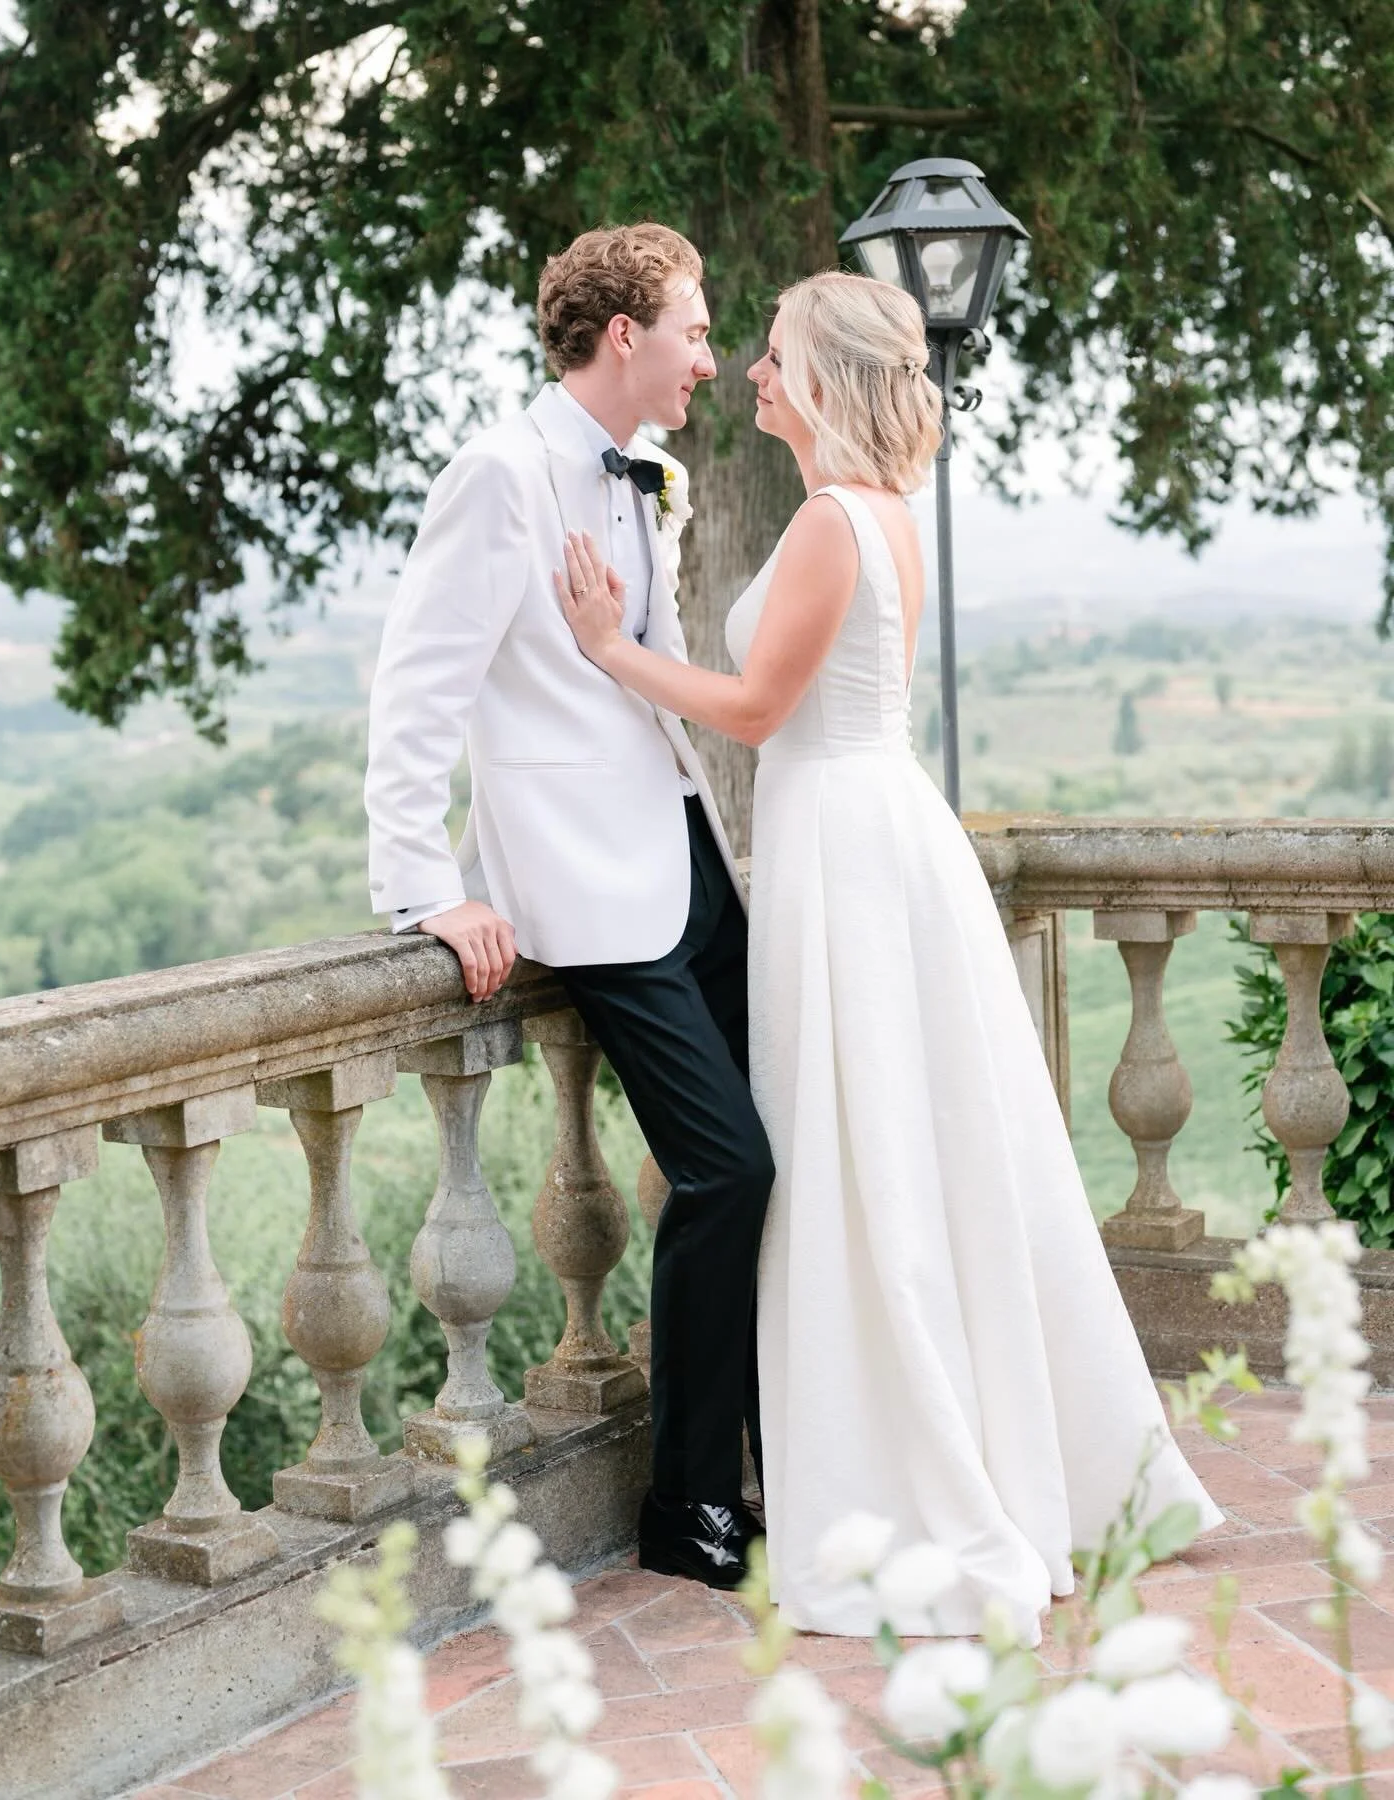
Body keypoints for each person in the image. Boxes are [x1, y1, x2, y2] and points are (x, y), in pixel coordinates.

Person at [557, 268, 1222, 1645]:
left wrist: (605, 649)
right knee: (915, 1156)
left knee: (866, 1163)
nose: (749, 370)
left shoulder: (826, 522)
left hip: (846, 848)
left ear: (828, 380)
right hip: (870, 831)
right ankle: (985, 1448)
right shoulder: (887, 515)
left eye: (776, 353)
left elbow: (751, 708)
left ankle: (911, 1474)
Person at [364, 223, 772, 1591]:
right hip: (587, 889)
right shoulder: (500, 475)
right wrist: (429, 886)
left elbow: (640, 666)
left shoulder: (647, 471)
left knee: (800, 1139)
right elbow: (418, 686)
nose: (710, 359)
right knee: (728, 1169)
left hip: (689, 852)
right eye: (696, 332)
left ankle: (797, 1450)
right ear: (622, 339)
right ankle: (692, 1505)